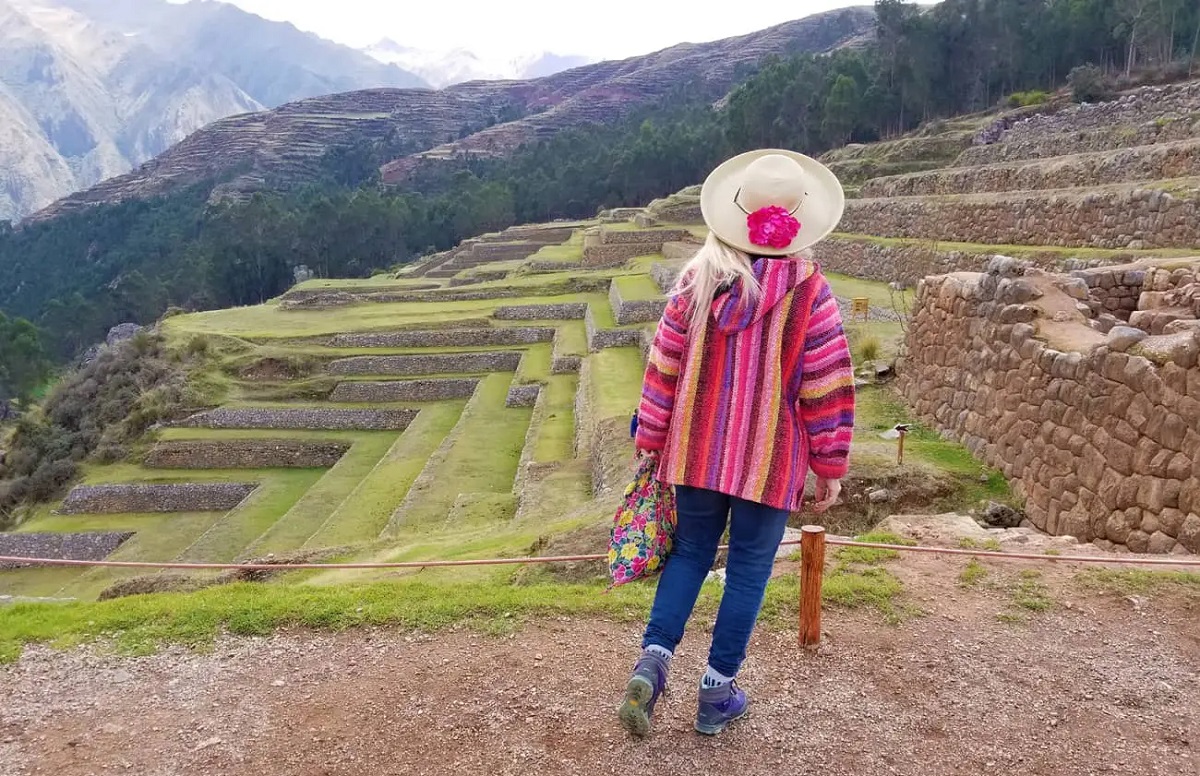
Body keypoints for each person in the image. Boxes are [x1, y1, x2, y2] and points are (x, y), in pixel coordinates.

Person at [619, 149, 856, 737]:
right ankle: (716, 693)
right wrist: (829, 465)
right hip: (770, 460)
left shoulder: (695, 283)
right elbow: (826, 385)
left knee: (692, 553)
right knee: (749, 567)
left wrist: (650, 435)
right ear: (799, 219)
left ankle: (653, 661)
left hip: (695, 452)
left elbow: (663, 365)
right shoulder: (811, 292)